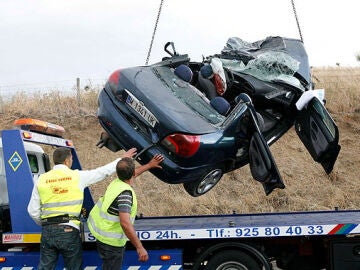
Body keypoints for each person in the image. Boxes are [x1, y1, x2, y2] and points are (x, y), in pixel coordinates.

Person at [27, 146, 137, 270]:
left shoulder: (42, 179)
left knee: (45, 267)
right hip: (69, 230)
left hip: (48, 230)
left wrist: (45, 223)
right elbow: (102, 172)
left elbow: (32, 211)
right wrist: (121, 160)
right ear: (67, 161)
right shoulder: (77, 176)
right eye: (71, 159)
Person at [87, 155, 164, 270]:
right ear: (132, 173)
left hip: (102, 236)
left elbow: (134, 173)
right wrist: (139, 247)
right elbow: (125, 223)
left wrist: (149, 165)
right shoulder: (125, 195)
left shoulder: (116, 183)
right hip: (112, 243)